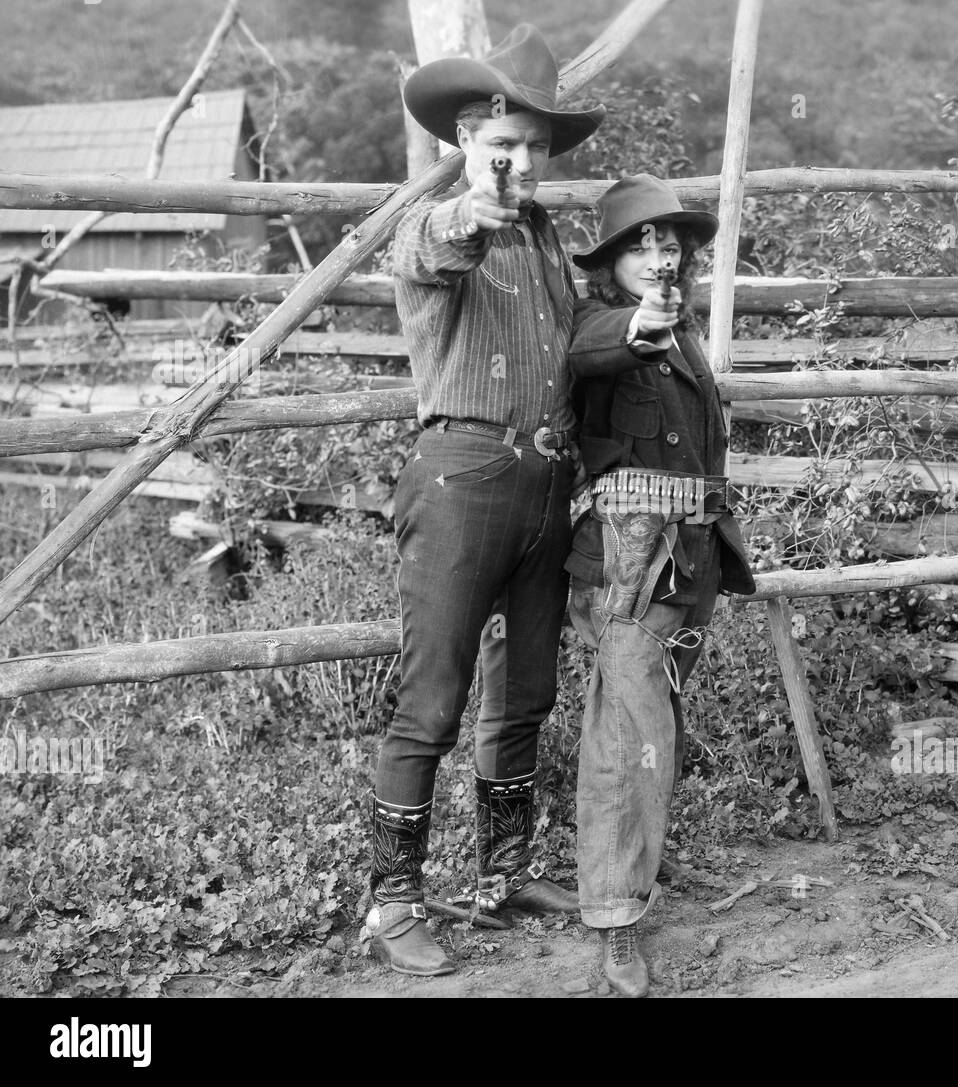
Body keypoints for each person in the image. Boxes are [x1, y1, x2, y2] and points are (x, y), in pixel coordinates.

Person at [360, 24, 606, 977]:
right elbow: (439, 247)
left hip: (546, 484)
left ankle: (505, 875)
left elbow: (579, 337)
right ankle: (392, 906)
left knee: (526, 693)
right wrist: (477, 208)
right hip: (461, 477)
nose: (519, 163)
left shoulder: (546, 237)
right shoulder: (437, 221)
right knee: (433, 698)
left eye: (534, 147)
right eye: (502, 145)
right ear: (467, 141)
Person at [565, 174, 756, 996]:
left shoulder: (686, 333)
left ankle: (637, 859)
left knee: (658, 719)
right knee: (624, 730)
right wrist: (639, 324)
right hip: (624, 567)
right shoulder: (599, 322)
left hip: (690, 556)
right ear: (610, 264)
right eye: (640, 244)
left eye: (670, 242)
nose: (660, 254)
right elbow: (600, 346)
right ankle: (613, 916)